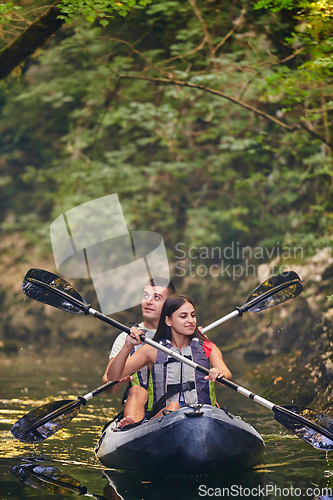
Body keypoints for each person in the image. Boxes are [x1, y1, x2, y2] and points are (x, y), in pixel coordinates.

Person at [106, 294, 232, 426]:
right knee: (173, 406)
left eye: (193, 315)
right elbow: (113, 376)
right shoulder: (152, 350)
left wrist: (219, 374)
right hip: (163, 418)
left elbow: (227, 375)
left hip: (203, 416)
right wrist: (128, 345)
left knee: (189, 409)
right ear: (168, 321)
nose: (191, 320)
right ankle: (137, 425)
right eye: (183, 316)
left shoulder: (207, 347)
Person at [102, 277, 176, 428]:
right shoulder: (126, 337)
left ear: (169, 305)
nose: (148, 301)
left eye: (156, 297)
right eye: (145, 296)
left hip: (172, 406)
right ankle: (132, 428)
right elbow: (109, 386)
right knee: (136, 390)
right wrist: (115, 381)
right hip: (138, 405)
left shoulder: (181, 335)